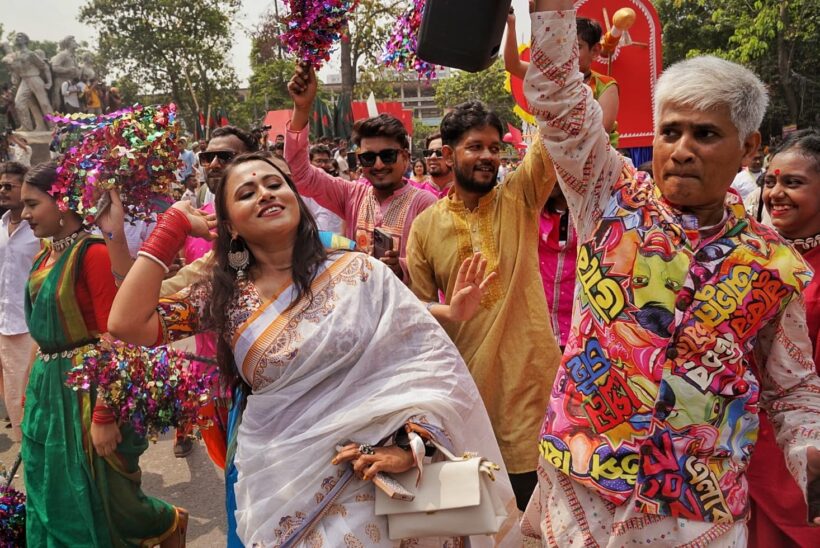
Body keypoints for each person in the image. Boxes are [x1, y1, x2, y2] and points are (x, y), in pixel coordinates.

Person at [107, 151, 521, 546]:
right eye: (247, 193)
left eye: (275, 184)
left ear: (296, 199)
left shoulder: (359, 270)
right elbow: (126, 323)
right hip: (284, 484)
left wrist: (408, 449)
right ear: (230, 225)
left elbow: (427, 368)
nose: (265, 193)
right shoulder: (223, 295)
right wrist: (171, 229)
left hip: (382, 480)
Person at [522, 2, 820, 545]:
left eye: (705, 134)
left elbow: (793, 387)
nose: (682, 150)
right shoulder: (607, 196)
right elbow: (559, 100)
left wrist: (810, 449)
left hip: (697, 504)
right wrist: (552, 13)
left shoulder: (776, 264)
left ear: (749, 147)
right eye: (670, 132)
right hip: (584, 483)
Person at [406, 99, 561, 510]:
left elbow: (552, 135)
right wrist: (451, 311)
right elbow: (418, 311)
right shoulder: (425, 227)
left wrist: (557, 78)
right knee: (481, 518)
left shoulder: (520, 197)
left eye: (494, 147)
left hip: (530, 384)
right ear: (448, 154)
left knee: (538, 513)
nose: (488, 156)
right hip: (468, 393)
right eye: (475, 146)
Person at [19, 162, 185, 545]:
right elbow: (43, 339)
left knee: (104, 498)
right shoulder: (43, 258)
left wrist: (104, 414)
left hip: (87, 391)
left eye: (32, 204)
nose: (24, 213)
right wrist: (30, 391)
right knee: (50, 491)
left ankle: (167, 523)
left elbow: (117, 335)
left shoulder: (91, 254)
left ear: (62, 203)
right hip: (49, 393)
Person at [287, 64, 437, 281]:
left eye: (387, 156)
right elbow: (300, 175)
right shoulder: (352, 195)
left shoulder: (425, 204)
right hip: (358, 298)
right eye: (368, 158)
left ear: (405, 157)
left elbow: (435, 264)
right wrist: (301, 109)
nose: (378, 165)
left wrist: (402, 267)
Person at [746, 128, 820, 547]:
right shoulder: (751, 257)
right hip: (739, 451)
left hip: (799, 453)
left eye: (793, 182)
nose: (776, 193)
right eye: (770, 181)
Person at [0, 161, 39, 440]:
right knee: (14, 398)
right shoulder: (0, 226)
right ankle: (25, 447)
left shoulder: (39, 230)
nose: (2, 191)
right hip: (4, 324)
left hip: (31, 326)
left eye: (8, 186)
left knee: (34, 395)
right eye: (0, 186)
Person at [538, 183, 576, 350]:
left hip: (578, 331)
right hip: (540, 330)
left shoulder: (589, 214)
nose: (549, 176)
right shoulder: (531, 212)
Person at [305, 144, 345, 234]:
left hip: (338, 237)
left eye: (326, 161)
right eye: (318, 161)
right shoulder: (304, 190)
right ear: (310, 162)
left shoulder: (338, 185)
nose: (323, 165)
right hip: (314, 237)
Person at [421, 133, 455, 199]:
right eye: (429, 153)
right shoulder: (417, 194)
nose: (433, 157)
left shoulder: (466, 193)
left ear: (451, 156)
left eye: (439, 152)